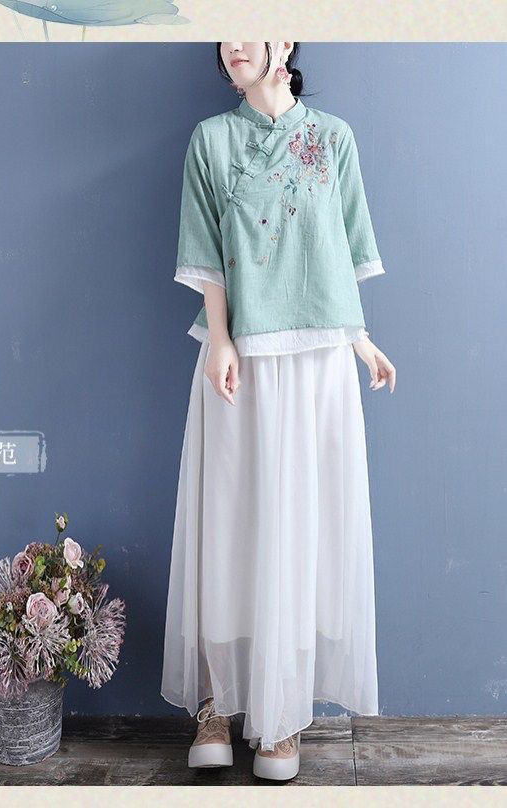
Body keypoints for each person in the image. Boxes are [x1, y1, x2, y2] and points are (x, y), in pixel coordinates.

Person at [160, 41, 396, 782]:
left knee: (301, 529)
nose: (234, 43)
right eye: (224, 29)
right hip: (241, 360)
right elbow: (205, 250)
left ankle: (282, 715)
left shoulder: (334, 138)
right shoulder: (211, 140)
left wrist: (361, 342)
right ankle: (215, 705)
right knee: (230, 524)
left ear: (286, 39)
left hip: (320, 361)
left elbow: (341, 251)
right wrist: (220, 338)